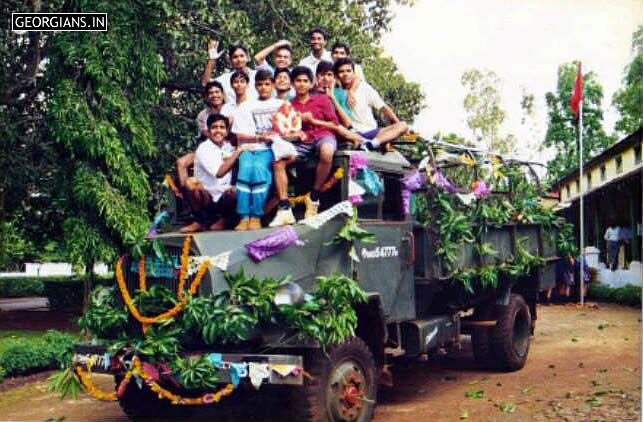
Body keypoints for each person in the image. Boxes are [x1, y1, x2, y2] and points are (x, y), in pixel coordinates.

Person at [270, 66, 338, 226]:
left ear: (311, 83)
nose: (301, 84)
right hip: (302, 141)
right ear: (293, 84)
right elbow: (284, 129)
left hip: (324, 135)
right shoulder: (288, 105)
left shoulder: (322, 100)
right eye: (298, 81)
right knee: (278, 161)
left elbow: (334, 123)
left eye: (305, 81)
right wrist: (293, 131)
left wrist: (312, 120)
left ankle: (313, 197)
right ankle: (285, 209)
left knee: (327, 152)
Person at [232, 69, 285, 231]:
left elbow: (288, 129)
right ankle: (243, 216)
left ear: (274, 85)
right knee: (245, 171)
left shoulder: (281, 105)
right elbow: (238, 134)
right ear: (255, 86)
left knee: (260, 171)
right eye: (260, 84)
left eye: (267, 84)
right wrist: (259, 138)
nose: (263, 88)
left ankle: (256, 216)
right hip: (249, 147)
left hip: (270, 149)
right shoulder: (246, 106)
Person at [179, 114, 249, 233]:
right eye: (214, 127)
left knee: (236, 190)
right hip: (207, 198)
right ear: (208, 131)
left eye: (222, 127)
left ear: (226, 131)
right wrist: (237, 153)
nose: (218, 130)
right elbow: (219, 173)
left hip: (224, 198)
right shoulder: (204, 148)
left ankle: (225, 220)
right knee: (191, 183)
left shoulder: (229, 147)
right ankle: (200, 221)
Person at [334, 57, 409, 150]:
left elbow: (383, 108)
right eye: (341, 72)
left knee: (403, 125)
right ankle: (376, 143)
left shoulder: (364, 88)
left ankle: (371, 144)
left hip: (373, 132)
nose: (345, 74)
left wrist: (398, 127)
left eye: (349, 71)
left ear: (353, 73)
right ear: (336, 75)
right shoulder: (334, 93)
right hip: (351, 134)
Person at [201, 40, 258, 104]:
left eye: (242, 56)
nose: (239, 59)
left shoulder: (257, 75)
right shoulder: (225, 78)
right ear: (230, 60)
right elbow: (205, 83)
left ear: (247, 58)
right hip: (233, 112)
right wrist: (212, 59)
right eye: (235, 57)